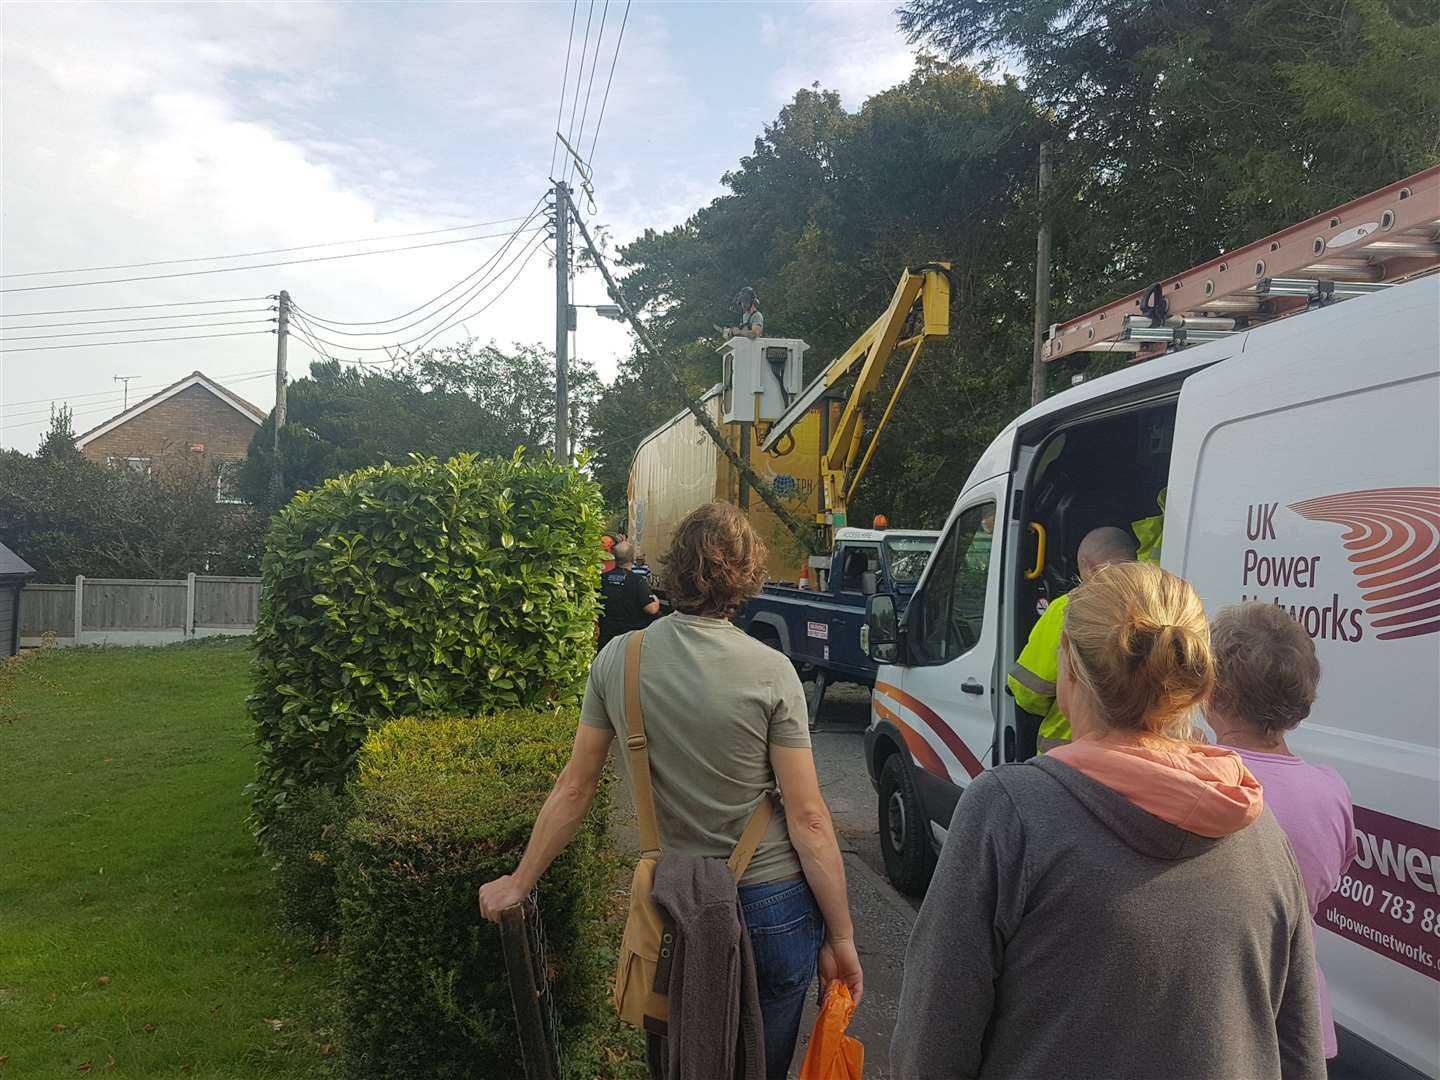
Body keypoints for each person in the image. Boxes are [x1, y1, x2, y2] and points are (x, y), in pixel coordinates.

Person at [892, 562, 1325, 1079]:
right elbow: (1299, 1049)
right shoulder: (1256, 824)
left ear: (1071, 668)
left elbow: (934, 1038)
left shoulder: (1008, 813)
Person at [479, 502, 862, 1080]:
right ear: (748, 575)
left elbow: (575, 788)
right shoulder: (773, 671)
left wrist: (519, 880)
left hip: (674, 904)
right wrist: (841, 935)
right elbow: (808, 820)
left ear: (675, 568)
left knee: (680, 1060)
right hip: (774, 902)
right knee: (760, 1064)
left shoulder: (619, 660)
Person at [1208, 601, 1356, 1061]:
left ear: (1211, 693)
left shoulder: (1197, 781)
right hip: (1300, 1021)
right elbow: (1325, 882)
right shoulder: (1330, 791)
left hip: (1215, 1024)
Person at [1007, 525, 1137, 753]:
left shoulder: (1066, 608)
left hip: (1068, 755)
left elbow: (1028, 691)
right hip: (1142, 756)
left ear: (1087, 565)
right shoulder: (1161, 603)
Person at [597, 540, 660, 650]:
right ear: (632, 558)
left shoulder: (602, 578)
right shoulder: (637, 581)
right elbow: (652, 609)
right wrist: (656, 601)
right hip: (630, 641)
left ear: (614, 557)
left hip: (607, 638)